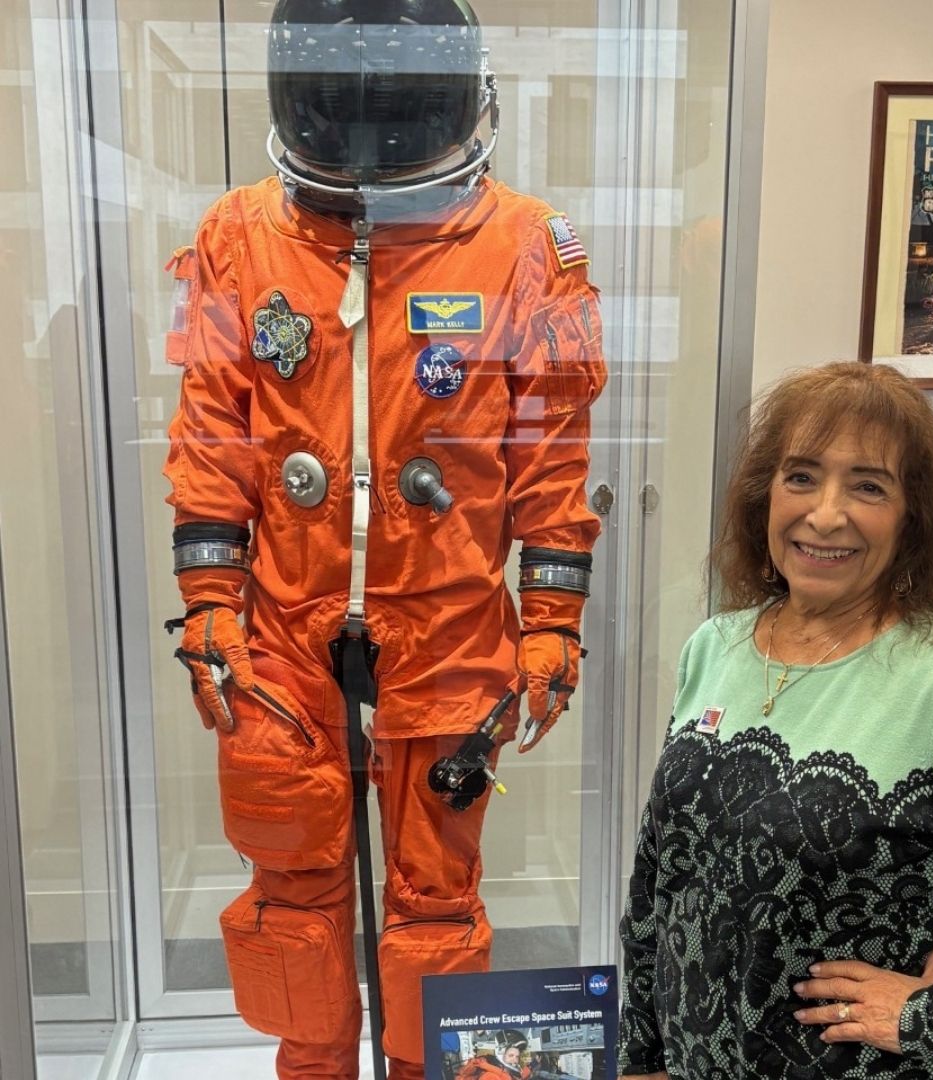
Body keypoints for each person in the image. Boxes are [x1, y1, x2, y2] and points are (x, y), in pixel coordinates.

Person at [162, 2, 606, 1079]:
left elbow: (551, 456)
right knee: (296, 901)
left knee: (432, 909)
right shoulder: (239, 235)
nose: (366, 128)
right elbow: (213, 428)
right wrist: (213, 601)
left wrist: (550, 624)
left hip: (447, 631)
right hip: (280, 636)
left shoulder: (527, 247)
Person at [616, 361, 933, 1078]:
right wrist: (641, 1051)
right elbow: (661, 876)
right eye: (801, 476)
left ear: (912, 517)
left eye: (868, 486)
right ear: (763, 493)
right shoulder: (716, 646)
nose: (824, 514)